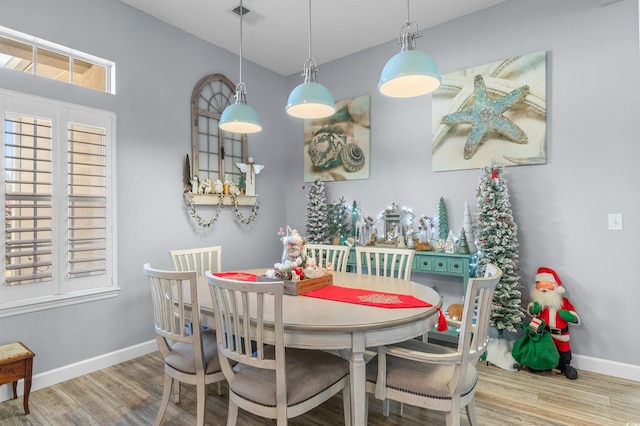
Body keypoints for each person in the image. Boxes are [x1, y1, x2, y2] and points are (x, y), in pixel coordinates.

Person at [528, 267, 580, 379]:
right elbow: (531, 310)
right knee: (542, 350)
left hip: (561, 336)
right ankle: (541, 365)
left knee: (564, 353)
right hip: (544, 335)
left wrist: (569, 316)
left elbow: (575, 318)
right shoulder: (537, 302)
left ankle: (565, 367)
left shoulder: (563, 302)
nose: (543, 289)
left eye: (547, 285)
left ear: (556, 288)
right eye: (540, 285)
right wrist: (534, 309)